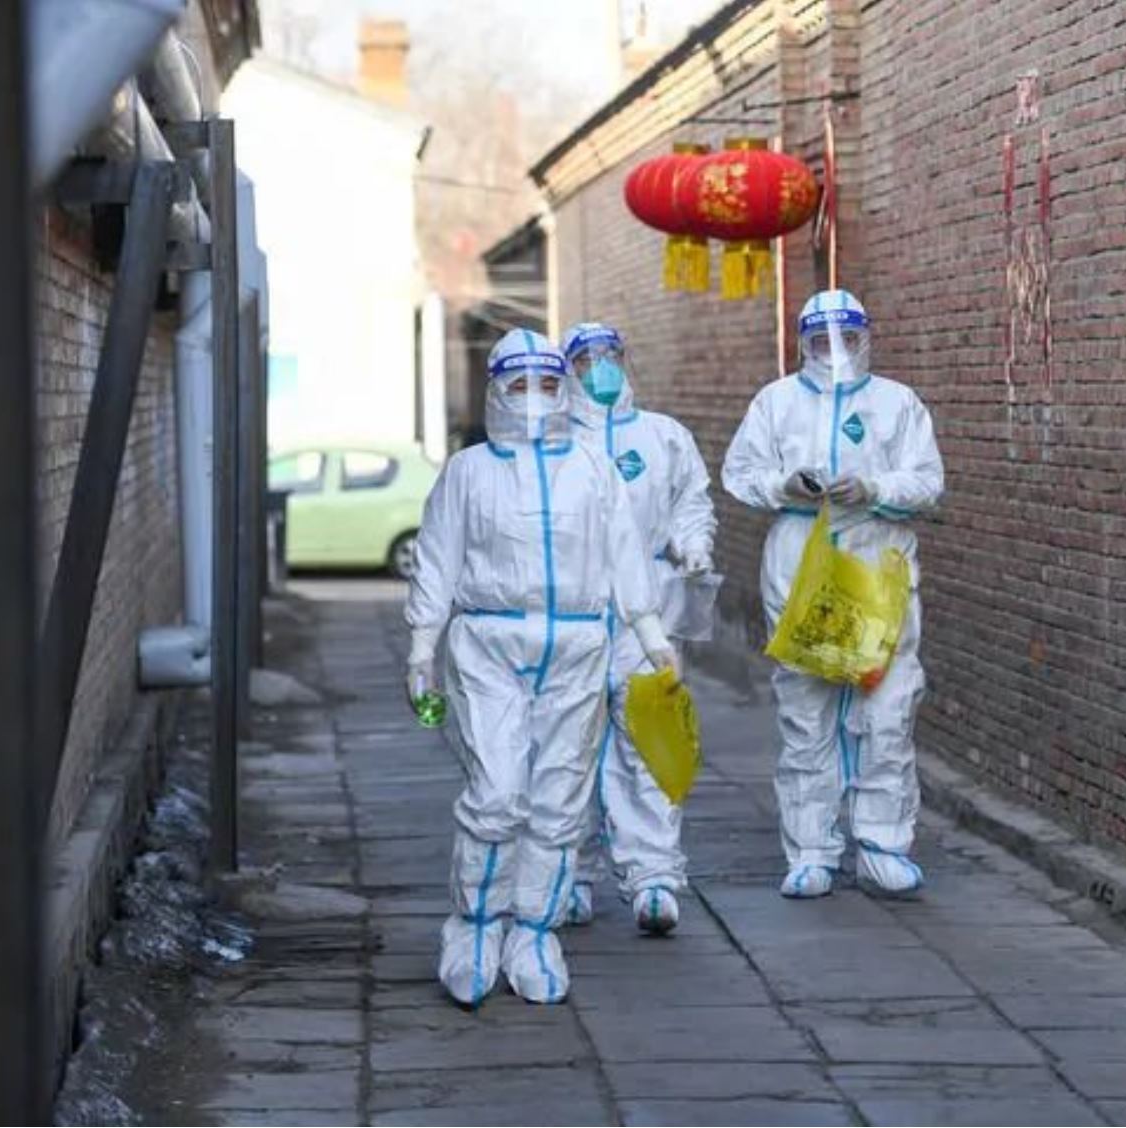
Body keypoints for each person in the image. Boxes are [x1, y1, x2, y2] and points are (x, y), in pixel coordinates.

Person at [404, 327, 677, 1006]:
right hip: (487, 643)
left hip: (578, 644)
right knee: (497, 794)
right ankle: (475, 926)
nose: (534, 398)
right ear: (496, 390)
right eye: (519, 385)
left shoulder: (592, 468)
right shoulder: (468, 472)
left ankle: (533, 930)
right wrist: (421, 647)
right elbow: (436, 559)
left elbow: (623, 554)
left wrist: (650, 633)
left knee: (559, 801)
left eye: (548, 384)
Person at [721, 289, 944, 900]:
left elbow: (928, 481)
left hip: (877, 561)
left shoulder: (898, 403)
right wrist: (786, 485)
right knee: (806, 713)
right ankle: (811, 851)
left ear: (866, 338)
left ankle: (883, 845)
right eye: (823, 342)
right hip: (801, 561)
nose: (836, 352)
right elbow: (740, 472)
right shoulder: (776, 402)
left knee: (887, 709)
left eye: (848, 339)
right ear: (803, 344)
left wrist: (873, 488)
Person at [558, 322, 716, 936]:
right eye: (586, 359)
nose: (600, 367)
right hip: (575, 609)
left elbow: (690, 502)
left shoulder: (662, 436)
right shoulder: (556, 442)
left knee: (648, 741)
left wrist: (693, 546)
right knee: (567, 747)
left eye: (610, 356)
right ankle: (567, 874)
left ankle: (653, 877)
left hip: (646, 611)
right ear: (568, 370)